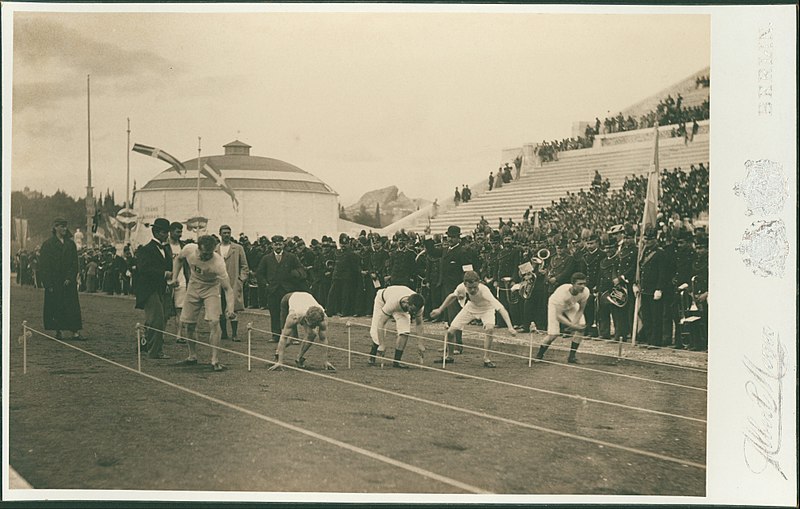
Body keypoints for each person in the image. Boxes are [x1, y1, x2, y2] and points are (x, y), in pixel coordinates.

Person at [170, 234, 236, 371]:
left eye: (209, 254)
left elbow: (228, 289)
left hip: (211, 288)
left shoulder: (218, 263)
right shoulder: (189, 249)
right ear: (198, 248)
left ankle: (214, 359)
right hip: (193, 286)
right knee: (188, 323)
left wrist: (230, 309)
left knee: (214, 322)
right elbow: (178, 260)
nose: (206, 257)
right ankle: (192, 356)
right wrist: (174, 277)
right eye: (204, 253)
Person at [430, 270, 516, 367]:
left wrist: (510, 327)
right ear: (465, 284)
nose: (473, 290)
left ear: (479, 283)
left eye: (475, 287)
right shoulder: (461, 287)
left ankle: (486, 359)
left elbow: (501, 309)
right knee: (450, 331)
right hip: (471, 307)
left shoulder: (485, 291)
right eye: (470, 288)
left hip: (487, 309)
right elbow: (452, 296)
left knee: (489, 329)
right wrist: (440, 310)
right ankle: (449, 356)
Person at [39, 217, 84, 341]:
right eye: (61, 226)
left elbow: (74, 263)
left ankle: (75, 331)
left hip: (68, 282)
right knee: (56, 306)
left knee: (72, 306)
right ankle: (58, 331)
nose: (64, 229)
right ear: (55, 228)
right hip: (54, 282)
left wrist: (70, 277)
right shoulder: (48, 245)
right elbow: (44, 265)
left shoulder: (70, 244)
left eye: (65, 227)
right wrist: (48, 283)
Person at [134, 218, 174, 358]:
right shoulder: (146, 250)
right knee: (157, 320)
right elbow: (144, 269)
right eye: (164, 232)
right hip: (148, 289)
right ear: (155, 232)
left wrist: (169, 282)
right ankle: (155, 351)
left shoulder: (166, 249)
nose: (166, 235)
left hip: (161, 288)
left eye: (167, 232)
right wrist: (164, 274)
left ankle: (145, 345)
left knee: (156, 319)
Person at [257, 235, 307, 341]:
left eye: (280, 244)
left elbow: (300, 269)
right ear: (272, 245)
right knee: (274, 313)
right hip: (273, 290)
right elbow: (260, 274)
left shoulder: (291, 257)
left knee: (291, 313)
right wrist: (266, 284)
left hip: (287, 290)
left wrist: (295, 274)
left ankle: (293, 337)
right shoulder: (266, 258)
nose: (278, 247)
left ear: (283, 244)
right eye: (276, 244)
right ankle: (276, 336)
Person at [269, 291, 335, 371]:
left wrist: (325, 361)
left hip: (306, 297)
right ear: (306, 319)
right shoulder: (294, 316)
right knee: (289, 339)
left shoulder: (323, 319)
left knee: (312, 334)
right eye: (311, 325)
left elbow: (323, 339)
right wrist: (280, 362)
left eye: (315, 325)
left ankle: (299, 358)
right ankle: (277, 354)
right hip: (288, 299)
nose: (313, 327)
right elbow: (283, 337)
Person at [535, 272, 590, 364]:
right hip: (555, 305)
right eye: (579, 284)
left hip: (571, 304)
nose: (582, 286)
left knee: (581, 325)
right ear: (572, 284)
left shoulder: (585, 292)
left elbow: (581, 309)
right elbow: (559, 316)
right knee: (553, 334)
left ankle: (572, 357)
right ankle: (539, 354)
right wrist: (572, 326)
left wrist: (574, 325)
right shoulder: (562, 293)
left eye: (584, 283)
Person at [367, 286, 426, 368]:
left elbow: (419, 324)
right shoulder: (392, 302)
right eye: (412, 310)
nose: (413, 313)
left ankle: (396, 361)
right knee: (376, 330)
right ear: (406, 302)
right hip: (382, 300)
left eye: (415, 311)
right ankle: (372, 355)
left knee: (405, 331)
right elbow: (381, 323)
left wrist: (420, 344)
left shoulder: (419, 306)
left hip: (401, 305)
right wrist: (382, 344)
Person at [216, 224, 250, 342]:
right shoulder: (216, 249)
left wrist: (241, 279)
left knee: (233, 307)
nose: (226, 235)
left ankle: (234, 334)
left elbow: (245, 266)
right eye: (224, 233)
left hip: (233, 282)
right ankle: (224, 333)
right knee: (220, 307)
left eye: (228, 233)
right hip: (218, 283)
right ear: (220, 234)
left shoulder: (238, 248)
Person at [167, 221, 188, 343]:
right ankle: (161, 334)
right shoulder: (165, 246)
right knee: (165, 308)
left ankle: (179, 335)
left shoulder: (183, 246)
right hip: (168, 279)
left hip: (181, 280)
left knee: (180, 309)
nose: (180, 234)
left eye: (181, 232)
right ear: (171, 232)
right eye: (177, 231)